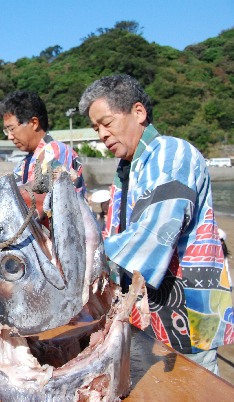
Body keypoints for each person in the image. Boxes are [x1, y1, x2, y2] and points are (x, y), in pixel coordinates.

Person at [79, 73, 234, 374]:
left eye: (107, 123)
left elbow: (154, 232)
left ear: (139, 112)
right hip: (148, 316)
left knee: (190, 387)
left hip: (186, 316)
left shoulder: (171, 154)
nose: (101, 134)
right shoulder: (129, 166)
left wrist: (82, 267)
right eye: (96, 127)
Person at [0, 90, 85, 211]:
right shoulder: (23, 164)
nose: (9, 136)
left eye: (12, 129)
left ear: (34, 123)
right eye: (7, 131)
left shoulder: (54, 151)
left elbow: (42, 204)